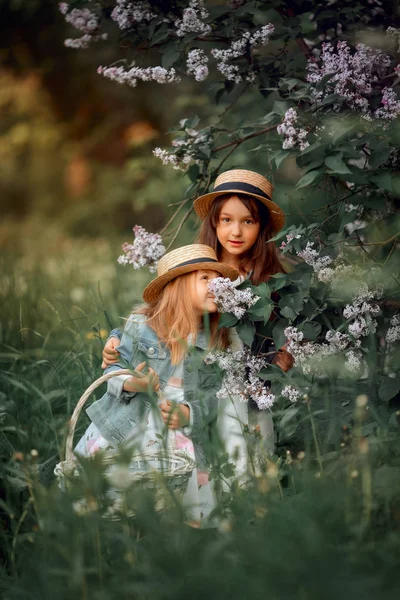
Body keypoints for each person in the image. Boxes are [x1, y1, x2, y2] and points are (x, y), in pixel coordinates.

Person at [102, 170, 292, 465]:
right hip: (199, 376)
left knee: (246, 456)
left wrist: (282, 357)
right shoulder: (199, 267)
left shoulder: (269, 283)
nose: (236, 232)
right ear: (214, 221)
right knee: (199, 458)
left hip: (245, 385)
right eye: (226, 220)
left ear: (263, 227)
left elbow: (279, 337)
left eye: (248, 221)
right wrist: (116, 338)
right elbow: (159, 317)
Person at [75, 244, 238, 525]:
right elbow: (114, 369)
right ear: (179, 287)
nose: (216, 285)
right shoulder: (143, 326)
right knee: (115, 500)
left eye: (219, 279)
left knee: (176, 507)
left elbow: (213, 396)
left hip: (177, 436)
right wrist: (133, 384)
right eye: (205, 279)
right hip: (130, 424)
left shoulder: (214, 339)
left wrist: (189, 413)